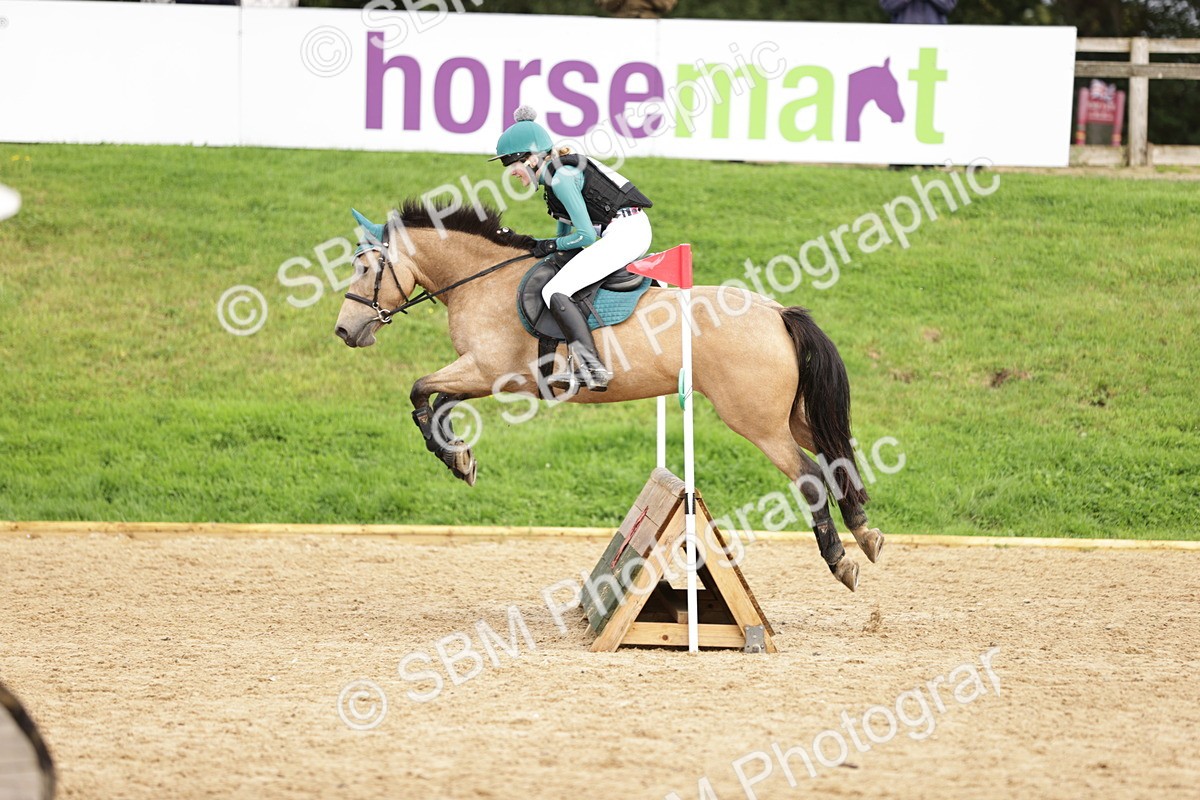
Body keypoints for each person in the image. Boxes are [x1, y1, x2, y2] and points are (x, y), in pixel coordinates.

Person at [490, 107, 653, 392]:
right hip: (621, 230)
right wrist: (551, 250)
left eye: (510, 163)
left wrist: (548, 246)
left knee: (554, 290)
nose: (510, 172)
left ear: (531, 158)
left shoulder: (560, 177)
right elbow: (567, 230)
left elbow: (585, 236)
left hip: (625, 232)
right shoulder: (554, 176)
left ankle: (592, 367)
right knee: (562, 276)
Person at [879, 0, 956, 24]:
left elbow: (948, 5)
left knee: (928, 62)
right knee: (904, 61)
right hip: (903, 37)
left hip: (932, 38)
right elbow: (888, 6)